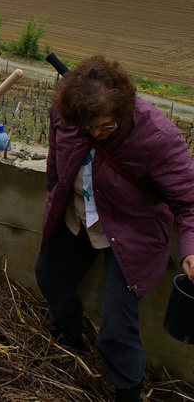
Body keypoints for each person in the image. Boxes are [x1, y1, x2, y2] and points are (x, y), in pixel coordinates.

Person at [34, 56, 194, 402]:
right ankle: (69, 333)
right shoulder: (65, 116)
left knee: (117, 329)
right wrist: (52, 205)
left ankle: (127, 389)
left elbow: (188, 201)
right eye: (86, 128)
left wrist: (191, 248)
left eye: (104, 126)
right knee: (49, 275)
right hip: (78, 216)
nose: (94, 134)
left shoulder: (157, 136)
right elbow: (54, 167)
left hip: (132, 231)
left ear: (123, 111)